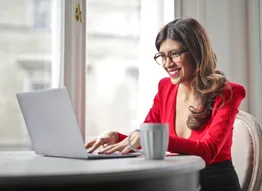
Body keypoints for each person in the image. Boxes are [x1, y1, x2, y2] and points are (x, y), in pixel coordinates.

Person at [85, 17, 246, 191]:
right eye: (162, 56)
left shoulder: (228, 92)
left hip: (214, 184)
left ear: (196, 52)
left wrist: (146, 138)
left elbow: (207, 151)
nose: (167, 64)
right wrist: (118, 137)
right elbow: (147, 136)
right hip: (177, 182)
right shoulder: (165, 88)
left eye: (174, 54)